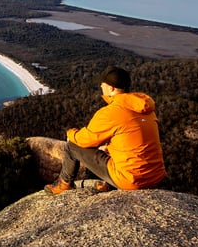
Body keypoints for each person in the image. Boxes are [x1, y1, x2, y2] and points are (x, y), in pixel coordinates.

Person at [45, 65, 165, 194]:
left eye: (102, 84)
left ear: (111, 88)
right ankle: (106, 184)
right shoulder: (147, 110)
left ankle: (63, 185)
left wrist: (70, 134)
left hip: (131, 179)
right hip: (155, 176)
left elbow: (84, 140)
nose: (101, 86)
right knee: (106, 149)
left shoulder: (111, 112)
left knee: (72, 146)